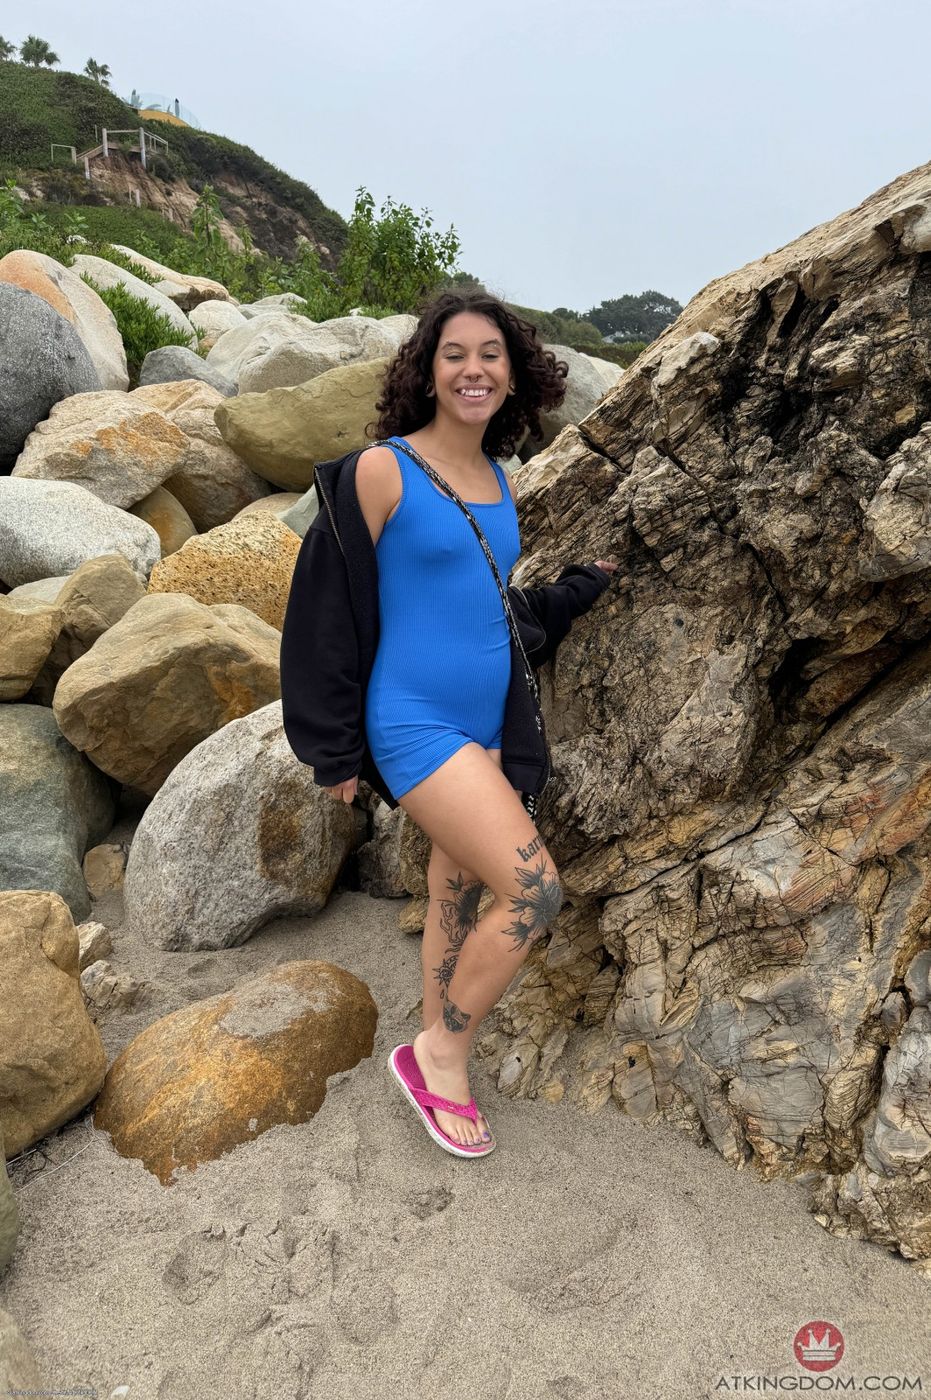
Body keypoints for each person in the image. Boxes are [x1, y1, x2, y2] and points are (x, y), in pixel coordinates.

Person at [287, 288, 617, 1157]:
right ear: (426, 372)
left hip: (487, 720)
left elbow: (490, 607)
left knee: (457, 890)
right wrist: (332, 749)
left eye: (491, 355)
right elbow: (321, 608)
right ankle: (442, 1054)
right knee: (534, 891)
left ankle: (432, 1030)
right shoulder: (382, 469)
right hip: (414, 722)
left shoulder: (498, 479)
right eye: (455, 354)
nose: (474, 370)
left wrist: (580, 588)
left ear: (514, 374)